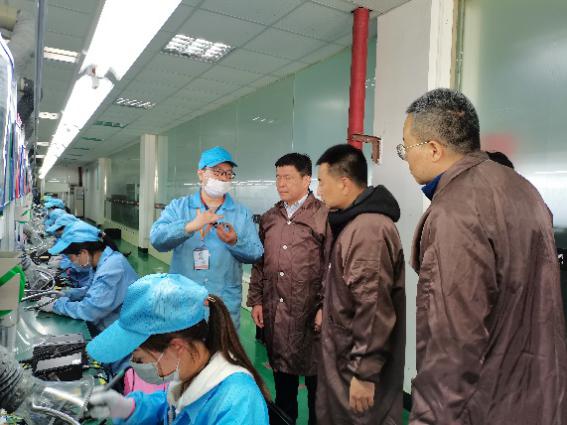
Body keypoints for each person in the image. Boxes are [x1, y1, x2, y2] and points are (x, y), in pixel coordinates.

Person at [400, 88, 567, 424]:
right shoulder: (524, 190)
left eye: (406, 147)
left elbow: (449, 345)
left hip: (487, 407)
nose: (405, 157)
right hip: (540, 396)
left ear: (433, 149)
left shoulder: (455, 212)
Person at [86, 273, 270, 425]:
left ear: (176, 346)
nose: (134, 365)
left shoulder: (238, 404)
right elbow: (171, 408)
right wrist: (127, 408)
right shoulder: (191, 371)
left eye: (140, 359)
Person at [315, 144, 405, 425]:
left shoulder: (368, 230)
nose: (319, 190)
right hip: (343, 360)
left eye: (322, 182)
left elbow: (373, 307)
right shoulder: (351, 224)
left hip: (355, 370)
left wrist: (364, 373)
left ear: (344, 183)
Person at [247, 153, 328, 425]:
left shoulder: (324, 216)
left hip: (312, 316)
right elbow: (260, 262)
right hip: (277, 315)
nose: (281, 183)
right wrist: (256, 300)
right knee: (284, 390)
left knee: (318, 392)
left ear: (306, 180)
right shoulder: (270, 217)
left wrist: (325, 306)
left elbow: (334, 267)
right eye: (278, 177)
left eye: (288, 178)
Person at [150, 146, 263, 328]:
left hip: (223, 305)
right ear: (201, 174)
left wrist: (235, 242)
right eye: (217, 172)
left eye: (228, 173)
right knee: (183, 345)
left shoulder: (240, 213)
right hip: (184, 303)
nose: (223, 178)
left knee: (222, 346)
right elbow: (157, 239)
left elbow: (257, 253)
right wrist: (189, 226)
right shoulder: (179, 208)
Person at [38, 221, 138, 340]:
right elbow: (90, 290)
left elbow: (89, 311)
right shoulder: (100, 262)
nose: (71, 262)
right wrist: (66, 294)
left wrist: (56, 305)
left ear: (83, 253)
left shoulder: (112, 269)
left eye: (70, 258)